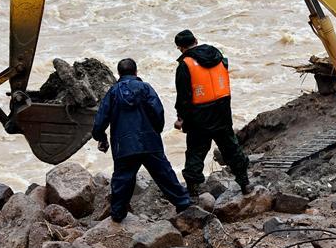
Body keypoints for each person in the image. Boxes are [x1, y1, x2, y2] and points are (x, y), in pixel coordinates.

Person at [92, 58, 191, 222]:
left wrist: (100, 137)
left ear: (119, 73)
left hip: (124, 144)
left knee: (122, 180)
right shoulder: (146, 88)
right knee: (164, 174)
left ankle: (117, 215)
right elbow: (158, 112)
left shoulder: (113, 92)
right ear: (136, 72)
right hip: (149, 141)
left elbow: (100, 119)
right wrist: (155, 131)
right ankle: (183, 202)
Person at [173, 30, 250, 196]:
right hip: (222, 111)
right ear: (196, 40)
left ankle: (193, 192)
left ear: (180, 48)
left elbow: (184, 97)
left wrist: (181, 118)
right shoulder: (218, 55)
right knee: (232, 148)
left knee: (195, 153)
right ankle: (245, 183)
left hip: (199, 117)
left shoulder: (185, 65)